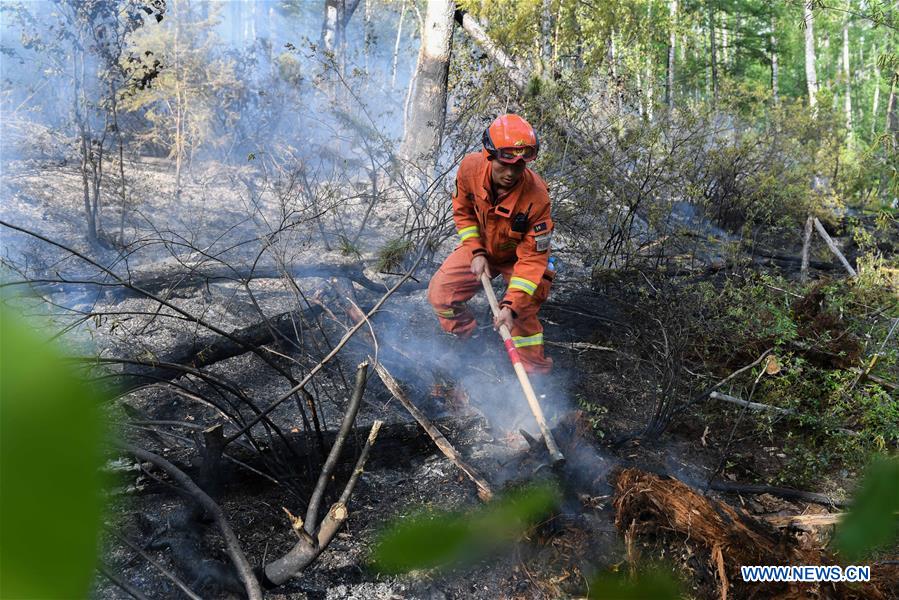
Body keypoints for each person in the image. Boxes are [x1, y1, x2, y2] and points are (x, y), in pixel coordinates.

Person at [427, 113, 554, 374]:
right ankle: (468, 340)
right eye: (504, 164)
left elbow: (532, 259)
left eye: (519, 166)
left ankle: (536, 379)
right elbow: (463, 211)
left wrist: (510, 307)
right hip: (483, 250)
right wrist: (475, 250)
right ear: (490, 155)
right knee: (440, 294)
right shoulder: (470, 169)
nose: (510, 173)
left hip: (520, 260)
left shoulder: (537, 198)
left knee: (522, 317)